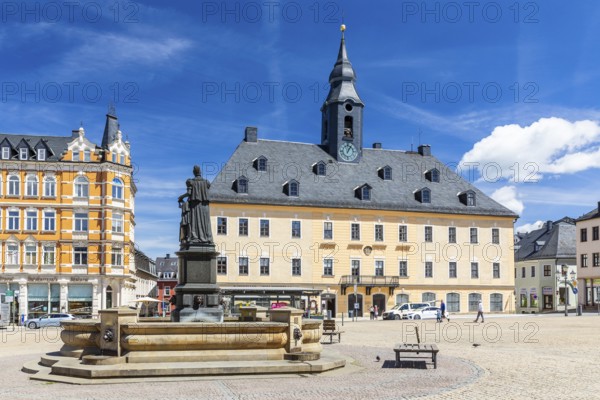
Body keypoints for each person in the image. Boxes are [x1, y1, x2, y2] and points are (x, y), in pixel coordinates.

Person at [178, 165, 213, 246]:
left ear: (194, 172)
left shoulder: (191, 182)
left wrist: (181, 197)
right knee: (205, 222)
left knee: (194, 222)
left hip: (194, 206)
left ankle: (194, 237)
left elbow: (189, 193)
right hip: (204, 207)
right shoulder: (206, 182)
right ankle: (205, 238)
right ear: (200, 172)